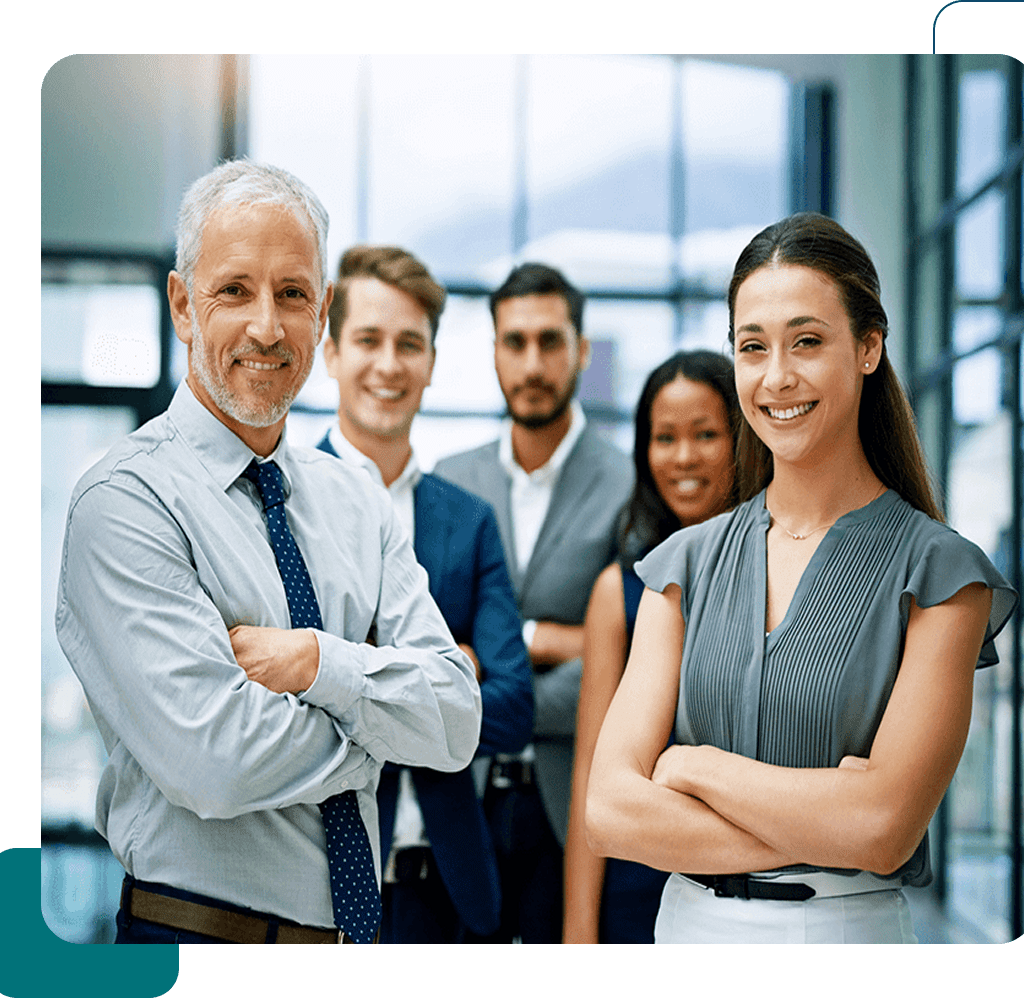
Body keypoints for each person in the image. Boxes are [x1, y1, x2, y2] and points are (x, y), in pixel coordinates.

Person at [55, 160, 481, 945]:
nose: (266, 327)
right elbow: (215, 763)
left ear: (322, 313)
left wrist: (319, 664)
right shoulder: (125, 502)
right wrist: (379, 735)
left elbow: (455, 720)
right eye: (234, 290)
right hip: (194, 943)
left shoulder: (356, 497)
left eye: (291, 294)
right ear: (183, 305)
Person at [585, 213, 1018, 944]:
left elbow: (883, 829)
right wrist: (830, 819)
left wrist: (694, 767)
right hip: (687, 930)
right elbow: (609, 812)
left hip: (844, 938)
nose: (777, 375)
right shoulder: (682, 567)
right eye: (753, 347)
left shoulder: (943, 576)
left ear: (869, 347)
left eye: (807, 341)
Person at [316, 244, 534, 943]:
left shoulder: (468, 521)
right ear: (331, 352)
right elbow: (275, 702)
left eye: (409, 344)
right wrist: (438, 680)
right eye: (368, 340)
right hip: (315, 885)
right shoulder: (281, 498)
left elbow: (512, 709)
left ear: (432, 362)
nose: (389, 365)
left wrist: (351, 674)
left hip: (449, 894)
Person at [434, 262, 633, 943]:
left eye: (551, 341)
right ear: (494, 351)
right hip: (460, 804)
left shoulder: (630, 485)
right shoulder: (450, 482)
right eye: (514, 342)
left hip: (572, 807)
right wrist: (558, 642)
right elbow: (431, 645)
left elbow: (634, 660)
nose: (532, 364)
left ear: (582, 350)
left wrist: (485, 688)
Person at [564, 350, 740, 944]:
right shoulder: (620, 591)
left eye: (706, 434)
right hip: (635, 887)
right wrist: (579, 931)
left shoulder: (780, 578)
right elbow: (590, 768)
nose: (683, 457)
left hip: (752, 885)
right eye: (665, 438)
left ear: (743, 441)